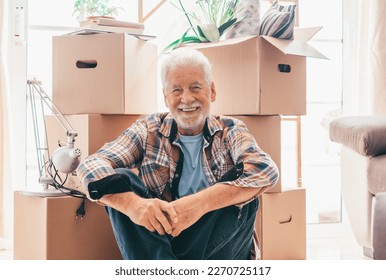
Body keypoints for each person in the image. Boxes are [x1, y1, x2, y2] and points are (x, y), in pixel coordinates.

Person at [76, 48, 279, 260]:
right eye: (176, 90)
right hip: (165, 243)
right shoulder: (149, 129)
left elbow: (266, 170)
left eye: (195, 87)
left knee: (246, 191)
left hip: (219, 248)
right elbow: (91, 165)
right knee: (121, 179)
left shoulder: (231, 130)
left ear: (212, 91)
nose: (187, 98)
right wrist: (133, 205)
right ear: (165, 97)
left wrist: (198, 205)